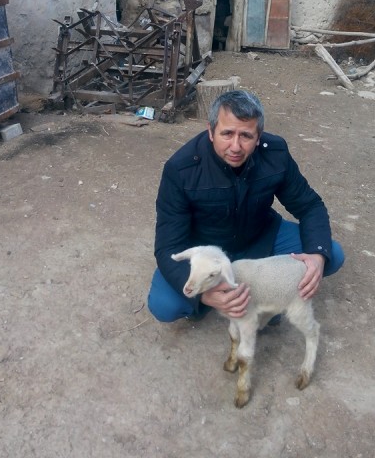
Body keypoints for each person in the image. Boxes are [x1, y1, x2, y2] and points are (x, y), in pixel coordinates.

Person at [147, 89, 344, 322]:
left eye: (246, 136)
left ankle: (264, 294)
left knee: (330, 254)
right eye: (227, 133)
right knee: (165, 306)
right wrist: (204, 295)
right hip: (205, 250)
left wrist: (317, 256)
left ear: (258, 136)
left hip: (260, 236)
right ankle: (223, 293)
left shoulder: (275, 154)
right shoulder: (181, 169)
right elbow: (168, 246)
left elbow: (309, 205)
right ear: (211, 131)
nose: (235, 147)